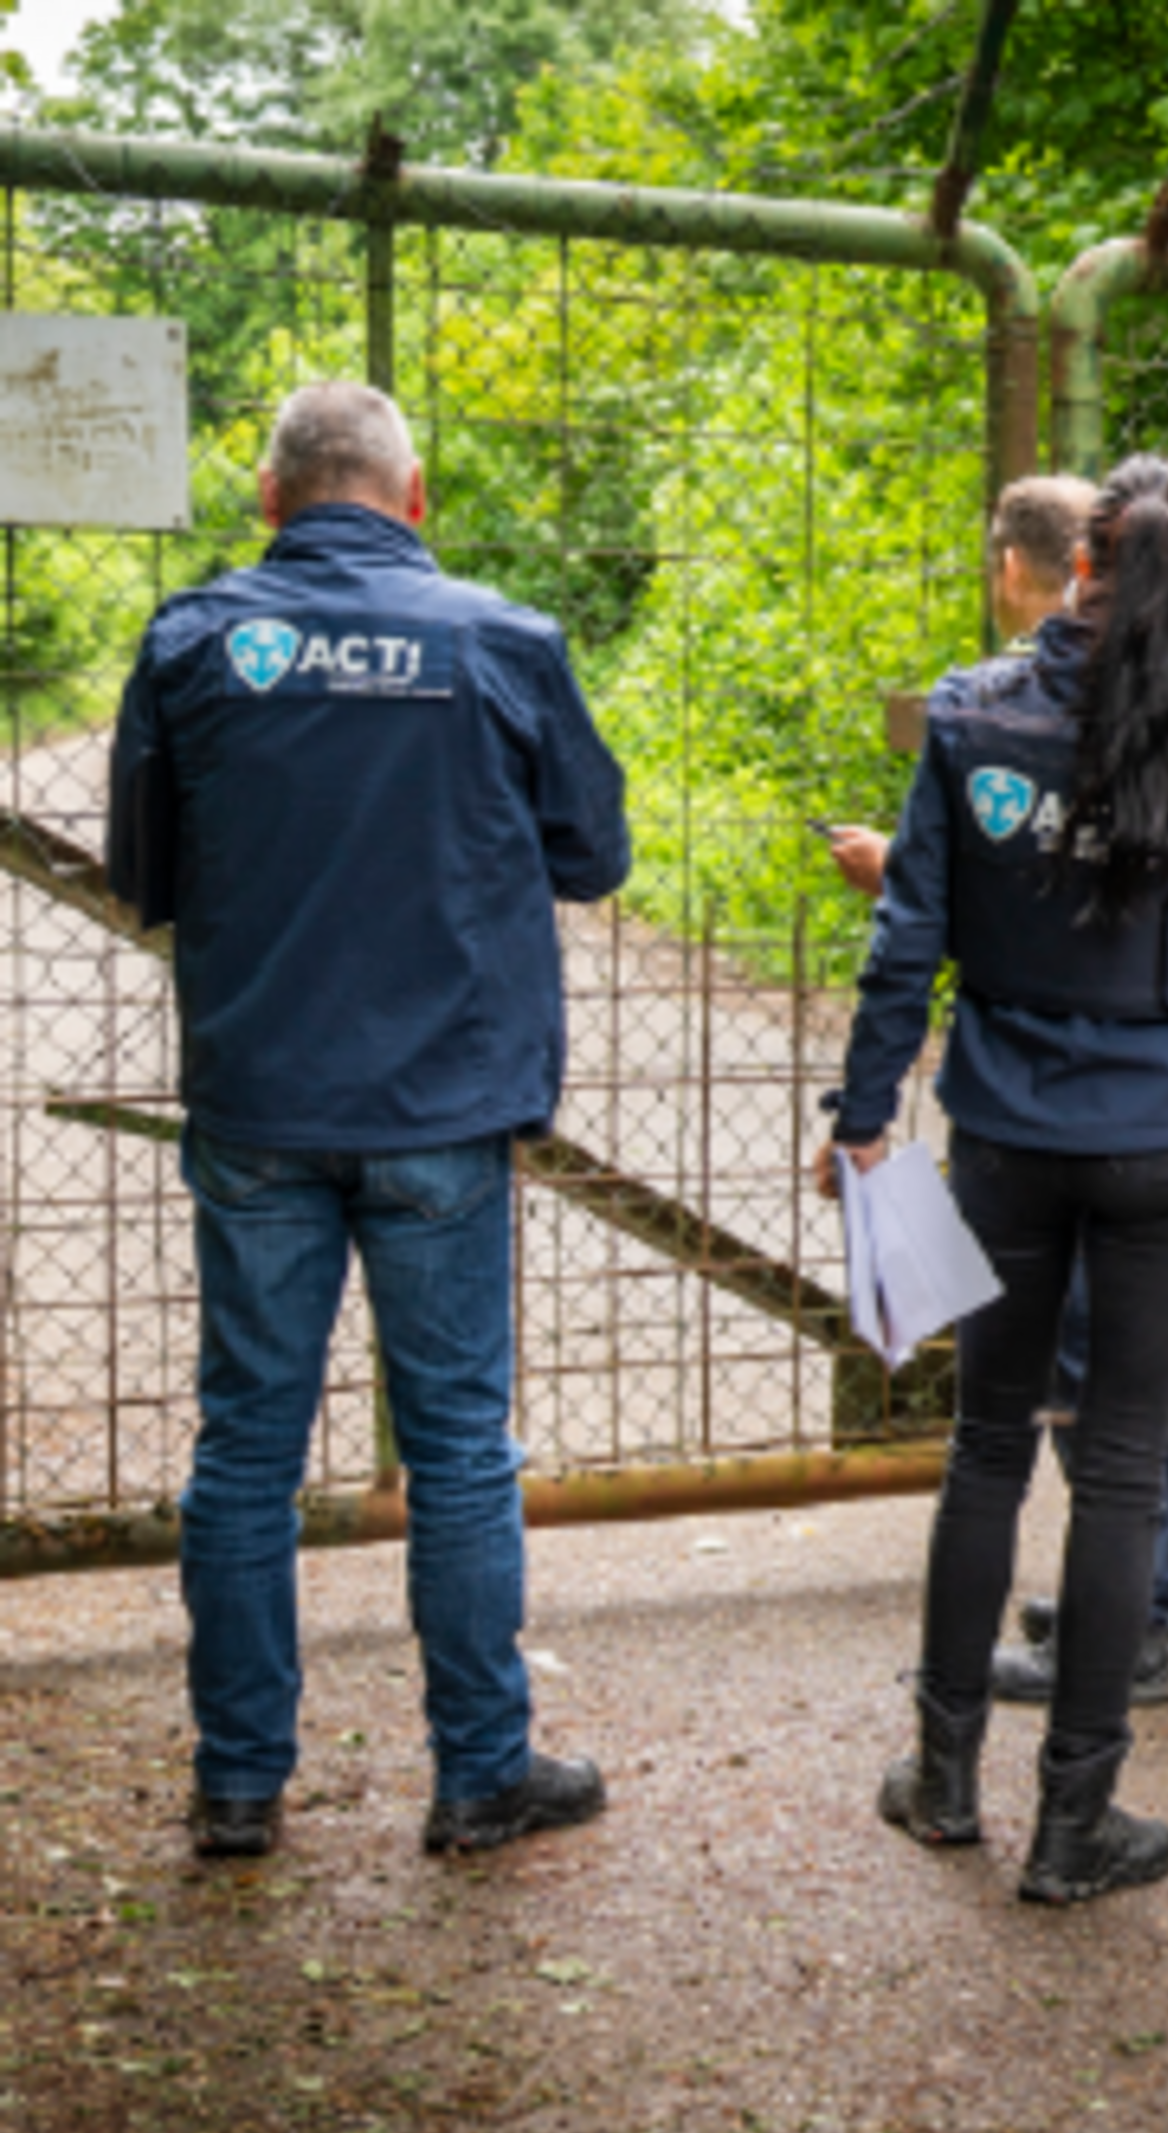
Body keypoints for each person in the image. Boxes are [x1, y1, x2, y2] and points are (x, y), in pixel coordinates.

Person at [106, 380, 631, 1859]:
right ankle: (480, 1775)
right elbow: (593, 854)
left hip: (261, 1098)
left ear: (269, 500)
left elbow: (143, 871)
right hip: (442, 1105)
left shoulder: (193, 641)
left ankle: (237, 1783)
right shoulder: (503, 641)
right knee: (458, 1444)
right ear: (415, 498)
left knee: (246, 1448)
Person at [823, 454, 1168, 1904]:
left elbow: (911, 929)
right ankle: (1075, 1824)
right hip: (1167, 1135)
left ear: (1074, 567)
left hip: (1008, 1131)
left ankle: (944, 1780)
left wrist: (862, 1115)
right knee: (1118, 1466)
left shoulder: (971, 714)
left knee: (986, 1445)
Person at [825, 474, 1168, 1711]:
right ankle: (1133, 1613)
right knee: (1129, 1377)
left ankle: (1118, 1634)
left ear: (1019, 569)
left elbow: (955, 912)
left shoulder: (982, 709)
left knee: (1040, 1401)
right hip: (1160, 1104)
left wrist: (863, 1109)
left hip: (1026, 1106)